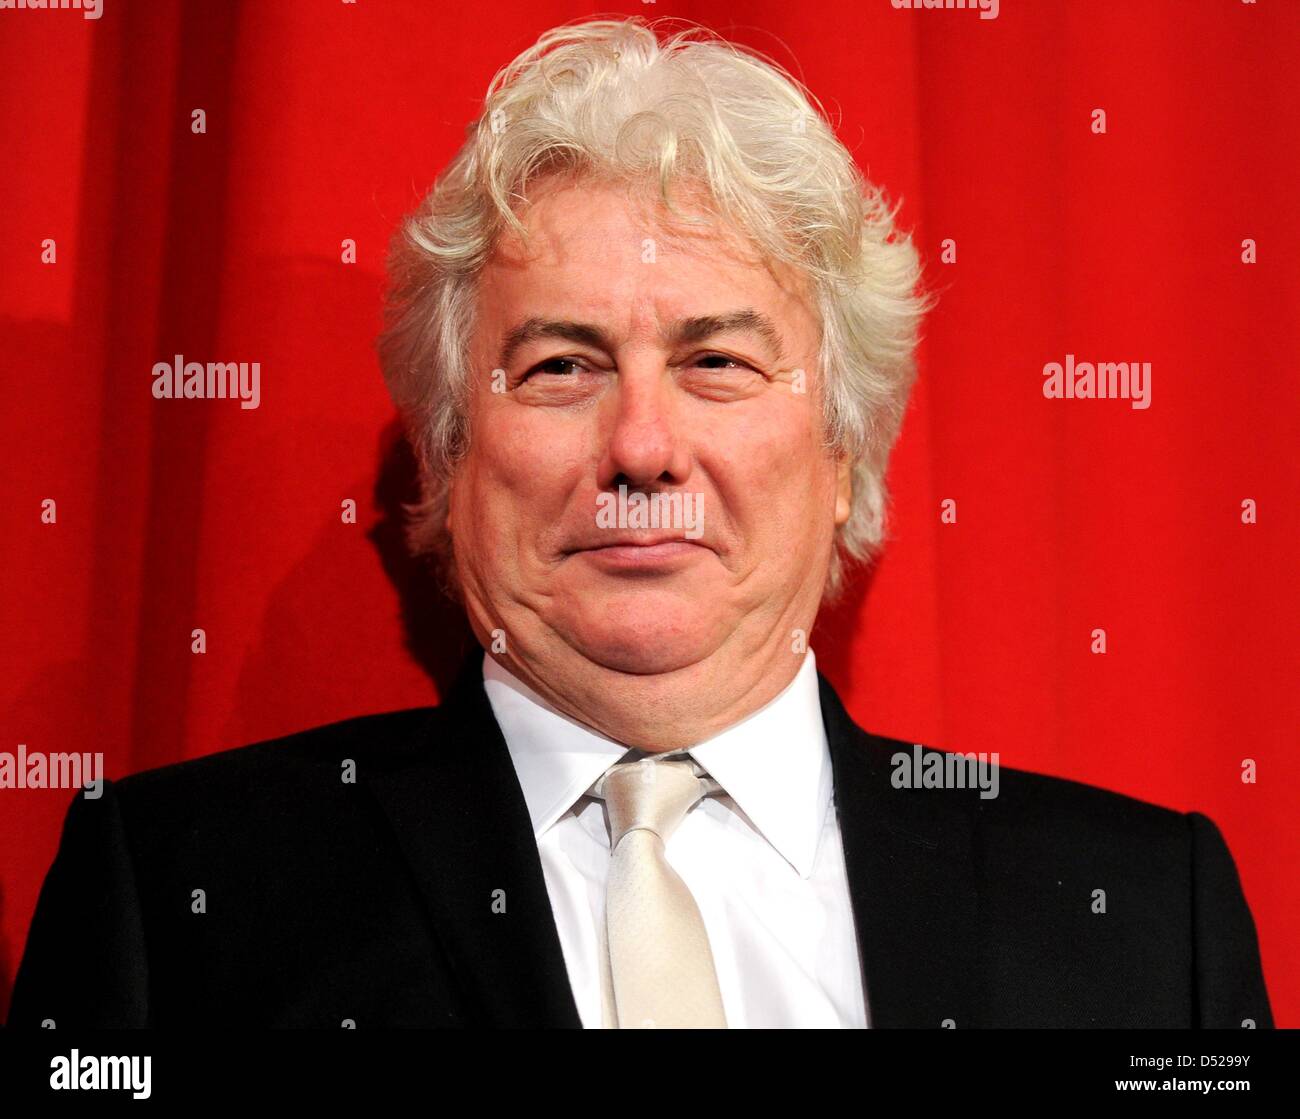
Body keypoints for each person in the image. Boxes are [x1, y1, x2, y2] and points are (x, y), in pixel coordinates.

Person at [7, 17, 1272, 1029]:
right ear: (449, 462)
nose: (643, 446)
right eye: (562, 366)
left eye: (717, 360)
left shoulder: (1147, 924)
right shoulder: (175, 901)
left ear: (842, 453)